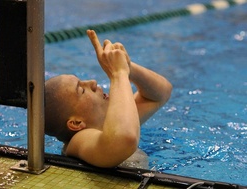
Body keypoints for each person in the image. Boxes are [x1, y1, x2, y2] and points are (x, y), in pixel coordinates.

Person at [45, 30, 172, 168]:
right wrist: (118, 74)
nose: (92, 82)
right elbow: (124, 139)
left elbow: (160, 94)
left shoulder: (110, 123)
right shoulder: (78, 141)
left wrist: (128, 68)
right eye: (81, 90)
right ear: (76, 123)